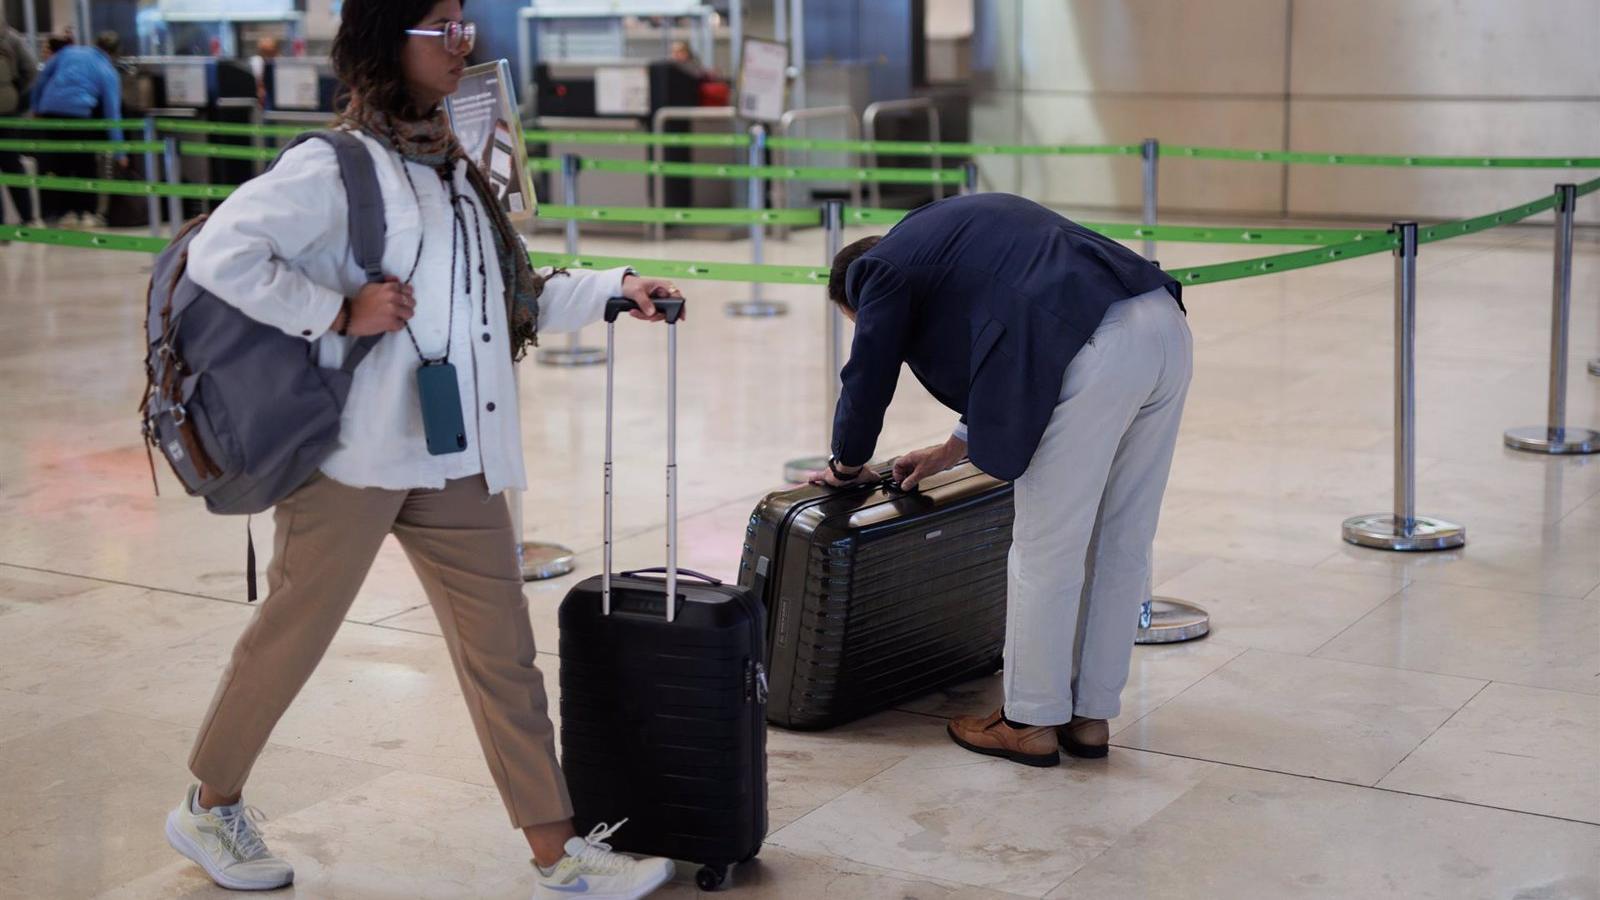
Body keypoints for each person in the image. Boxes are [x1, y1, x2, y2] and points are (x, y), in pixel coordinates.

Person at [163, 2, 682, 898]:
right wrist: (336, 311)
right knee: (293, 636)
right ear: (383, 40)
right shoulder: (335, 166)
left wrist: (614, 288)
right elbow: (222, 253)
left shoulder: (453, 169)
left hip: (453, 452)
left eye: (464, 25)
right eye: (439, 26)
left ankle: (558, 855)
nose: (462, 44)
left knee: (504, 657)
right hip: (353, 455)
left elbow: (500, 296)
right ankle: (210, 804)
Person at [816, 192, 1193, 768]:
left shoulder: (877, 270)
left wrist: (846, 463)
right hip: (1161, 326)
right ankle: (1089, 714)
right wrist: (951, 449)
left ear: (852, 295)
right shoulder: (948, 236)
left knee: (1048, 544)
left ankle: (1029, 719)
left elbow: (869, 373)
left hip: (1091, 348)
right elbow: (1016, 320)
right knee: (1121, 537)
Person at [29, 32, 125, 227]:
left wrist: (36, 108)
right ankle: (84, 212)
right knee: (83, 164)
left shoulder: (68, 53)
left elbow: (41, 79)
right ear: (114, 53)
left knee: (57, 163)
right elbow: (112, 113)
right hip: (79, 115)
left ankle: (57, 213)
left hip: (50, 112)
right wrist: (120, 152)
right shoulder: (106, 69)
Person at [0, 12, 40, 228]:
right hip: (8, 111)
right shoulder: (11, 36)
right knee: (12, 164)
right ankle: (27, 216)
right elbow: (31, 70)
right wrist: (16, 95)